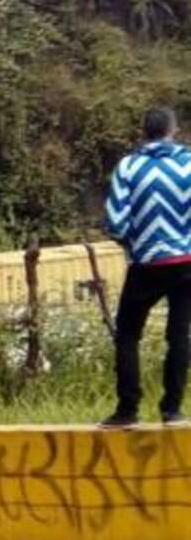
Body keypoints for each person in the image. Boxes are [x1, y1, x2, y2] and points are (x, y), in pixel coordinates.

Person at [101, 107, 191, 428]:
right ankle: (172, 409)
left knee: (127, 333)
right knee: (179, 334)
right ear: (173, 130)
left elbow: (115, 221)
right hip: (187, 263)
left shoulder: (129, 166)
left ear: (143, 131)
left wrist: (132, 244)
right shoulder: (188, 163)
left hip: (147, 262)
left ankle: (127, 410)